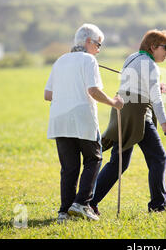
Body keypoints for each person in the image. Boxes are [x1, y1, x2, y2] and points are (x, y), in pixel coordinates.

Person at [90, 29, 166, 214]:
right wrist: (165, 123)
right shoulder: (151, 66)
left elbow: (137, 85)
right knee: (157, 157)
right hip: (136, 113)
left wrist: (156, 86)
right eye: (165, 48)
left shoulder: (132, 58)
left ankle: (88, 201)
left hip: (123, 110)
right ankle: (158, 205)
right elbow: (156, 99)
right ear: (153, 47)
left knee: (119, 162)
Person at [44, 23, 124, 223]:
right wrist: (114, 103)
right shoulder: (89, 60)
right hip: (82, 119)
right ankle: (81, 204)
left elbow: (48, 94)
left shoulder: (60, 60)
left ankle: (65, 212)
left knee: (69, 167)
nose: (98, 49)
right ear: (88, 42)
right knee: (93, 159)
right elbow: (94, 91)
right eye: (98, 45)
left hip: (59, 120)